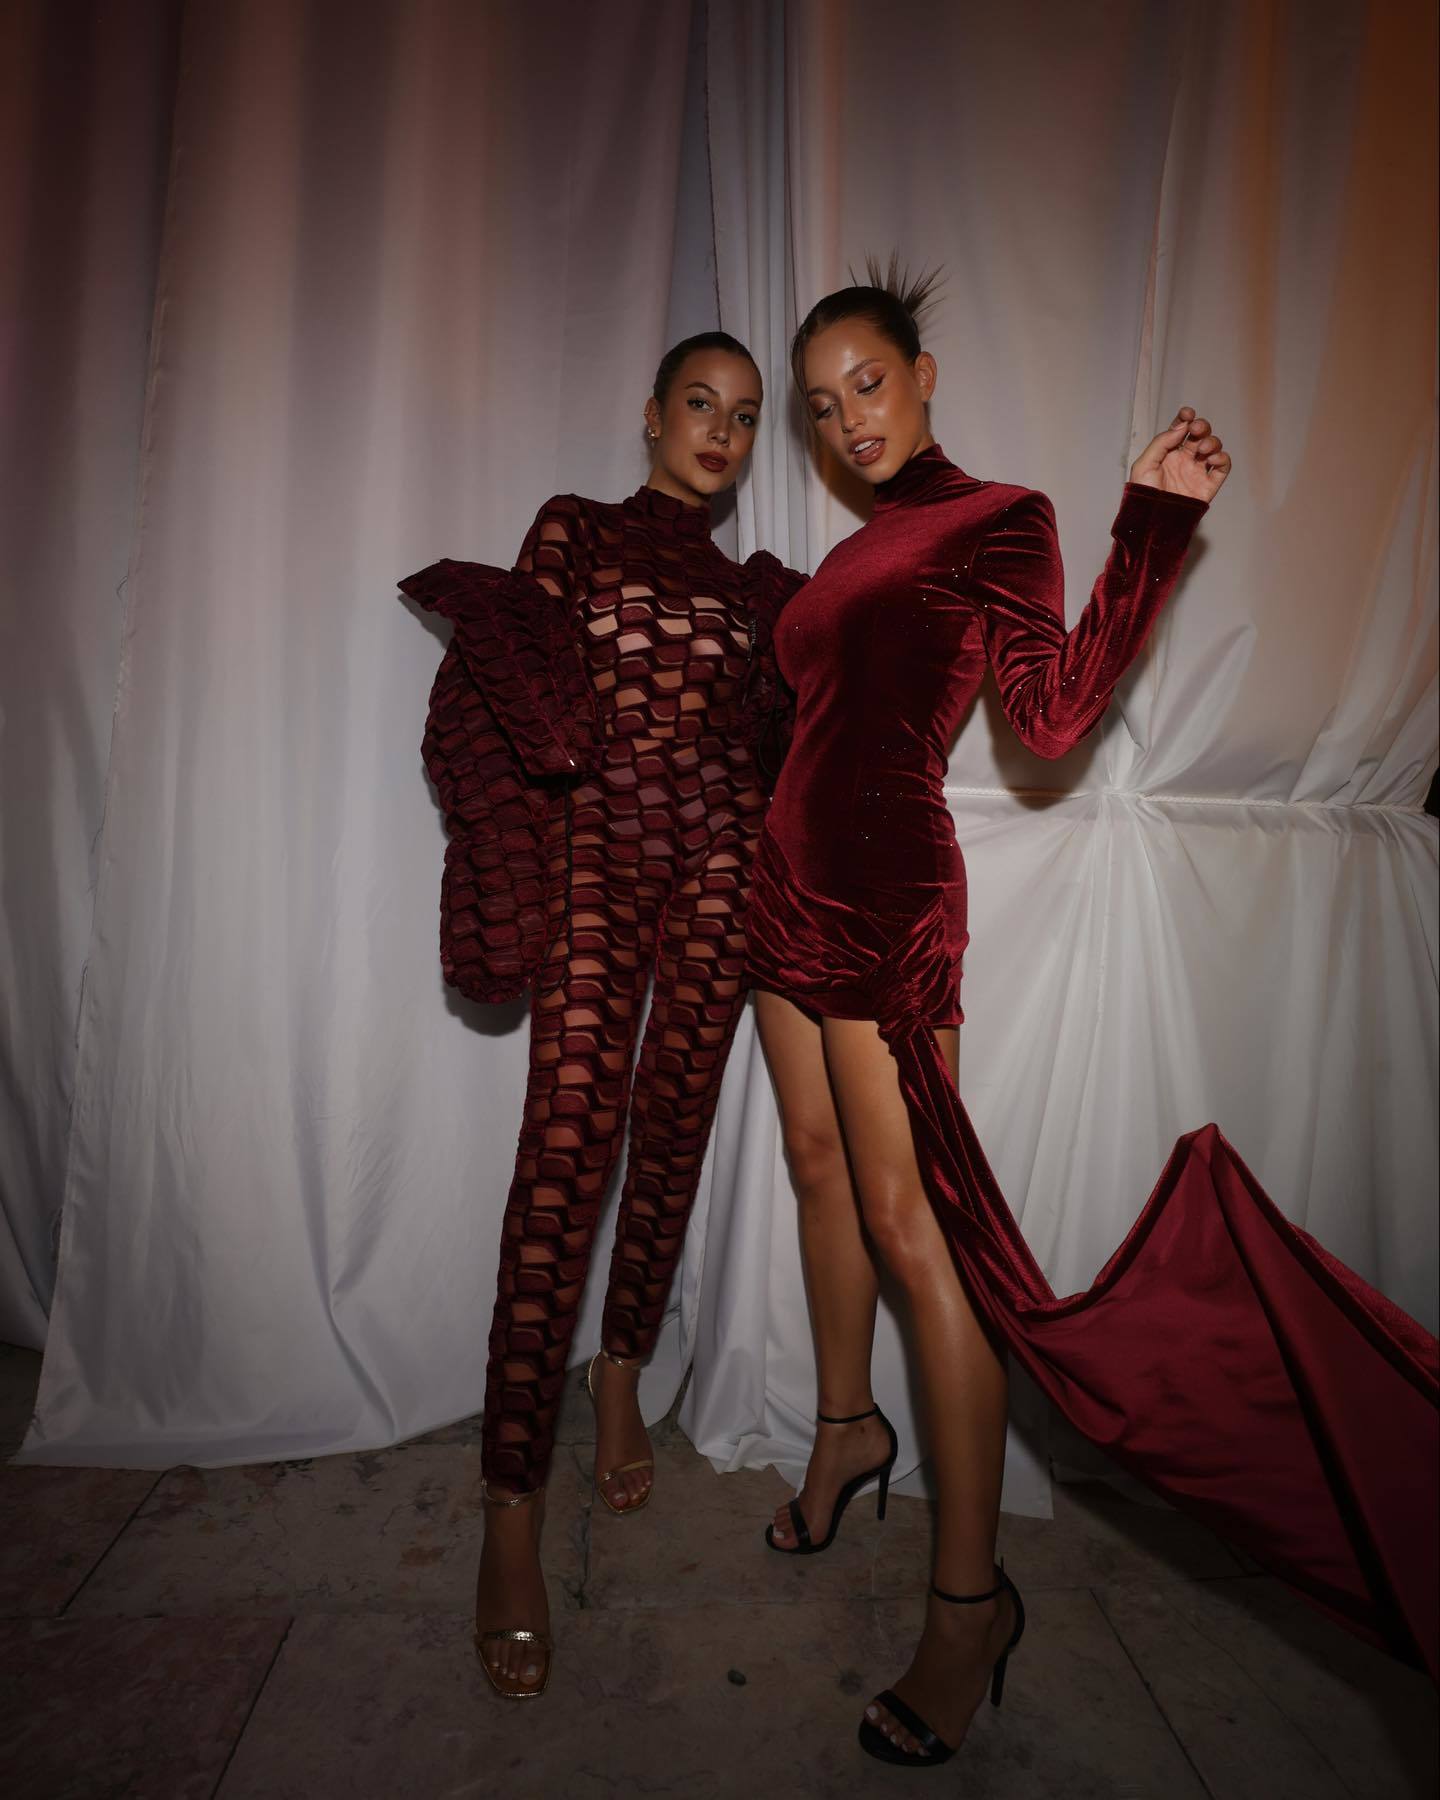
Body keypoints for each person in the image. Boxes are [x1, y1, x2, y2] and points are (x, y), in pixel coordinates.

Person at [745, 265, 1438, 1767]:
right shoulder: (850, 553)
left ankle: (970, 1604)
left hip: (879, 898)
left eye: (869, 381)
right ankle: (846, 1431)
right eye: (821, 404)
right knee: (815, 1172)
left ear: (924, 374)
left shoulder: (998, 518)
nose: (847, 418)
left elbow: (1051, 721)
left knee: (917, 1231)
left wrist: (1150, 529)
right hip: (782, 891)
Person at [401, 332, 804, 1700]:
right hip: (593, 848)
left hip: (720, 858)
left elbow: (778, 731)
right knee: (569, 1141)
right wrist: (508, 850)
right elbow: (504, 679)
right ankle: (511, 1502)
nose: (720, 431)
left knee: (674, 1125)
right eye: (699, 404)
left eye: (744, 416)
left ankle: (620, 1368)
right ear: (651, 414)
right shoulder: (573, 527)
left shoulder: (751, 589)